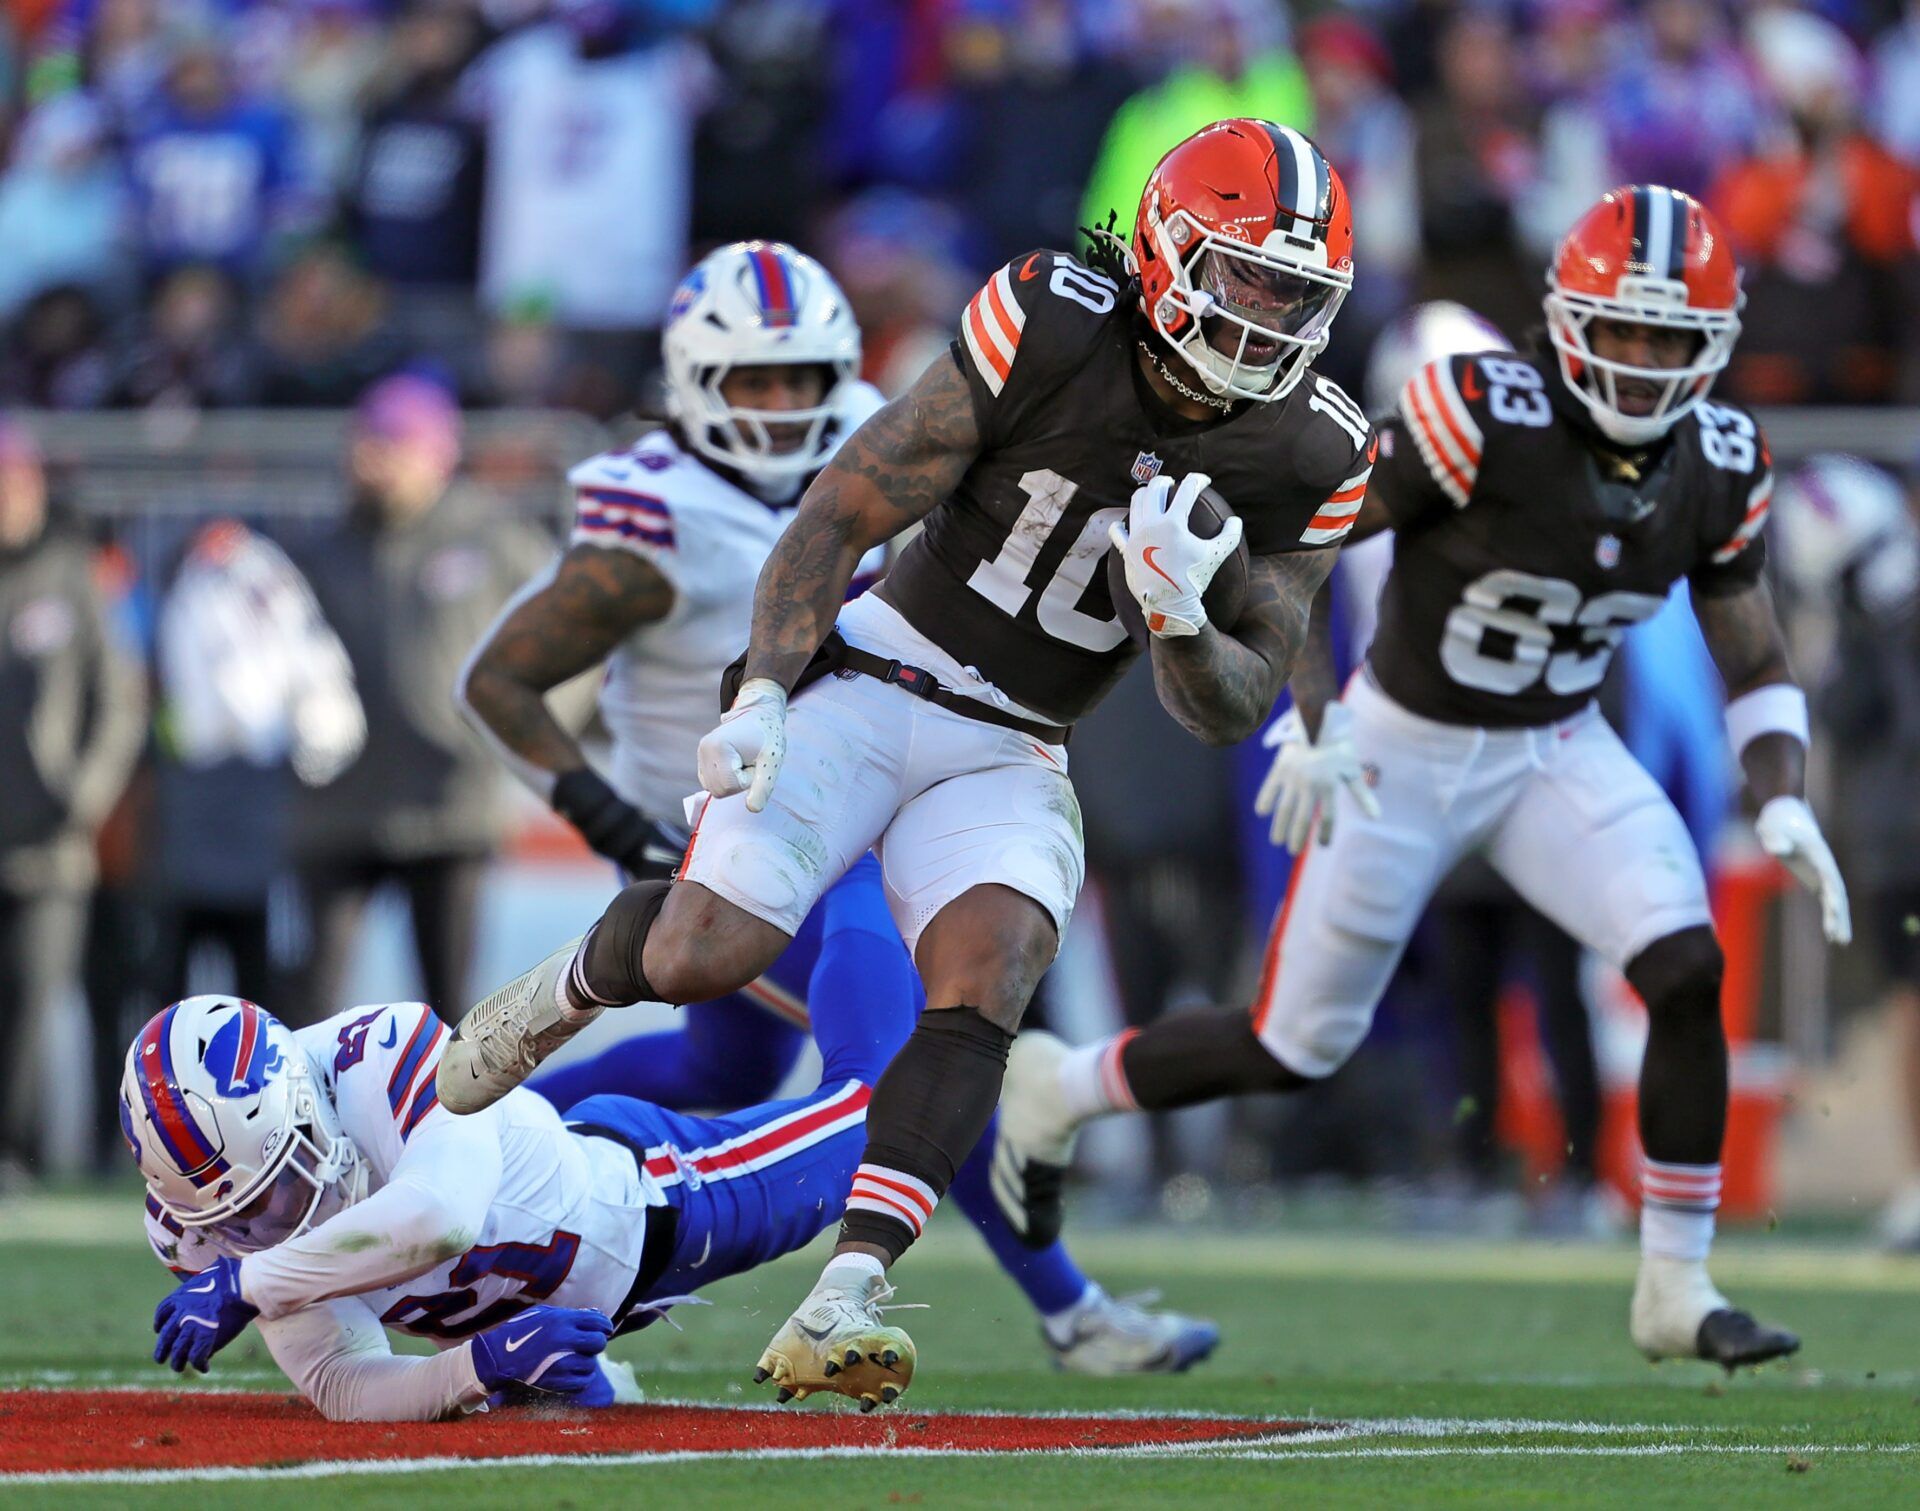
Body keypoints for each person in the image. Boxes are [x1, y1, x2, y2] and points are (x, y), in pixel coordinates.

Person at [439, 118, 1373, 1409]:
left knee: (989, 975)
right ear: (1165, 251)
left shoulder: (1315, 446)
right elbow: (844, 505)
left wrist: (1179, 617)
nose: (1267, 315)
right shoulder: (1050, 320)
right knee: (706, 956)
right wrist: (766, 686)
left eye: (1296, 292)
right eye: (1244, 275)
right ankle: (555, 997)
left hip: (1016, 737)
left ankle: (851, 1291)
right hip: (877, 675)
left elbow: (1229, 701)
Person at [995, 185, 1849, 1370]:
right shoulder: (1480, 414)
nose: (1648, 366)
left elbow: (1752, 650)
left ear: (1715, 344)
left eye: (1673, 339)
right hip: (1401, 745)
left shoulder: (1718, 457)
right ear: (1565, 318)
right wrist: (1304, 716)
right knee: (1298, 1043)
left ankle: (1676, 1282)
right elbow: (1311, 534)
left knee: (1687, 962)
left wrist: (1786, 789)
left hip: (1556, 745)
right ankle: (1061, 1084)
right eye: (1628, 330)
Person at [124, 888, 917, 1419]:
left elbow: (441, 1218)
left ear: (306, 1101)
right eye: (241, 1216)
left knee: (875, 1109)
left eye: (280, 1184)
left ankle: (858, 868)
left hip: (651, 1201)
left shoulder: (378, 1052)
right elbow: (340, 1379)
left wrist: (253, 1280)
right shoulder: (203, 1236)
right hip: (543, 1276)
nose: (269, 1222)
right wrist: (480, 1366)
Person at [288, 375, 549, 1026]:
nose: (371, 457)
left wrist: (522, 734)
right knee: (315, 999)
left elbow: (574, 639)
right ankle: (311, 1130)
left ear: (437, 451)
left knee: (450, 1011)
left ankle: (441, 1129)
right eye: (364, 440)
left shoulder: (492, 537)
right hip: (336, 802)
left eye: (390, 443)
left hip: (450, 803)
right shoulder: (317, 548)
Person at [0, 420, 146, 1177]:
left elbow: (118, 699)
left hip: (49, 842)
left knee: (30, 1000)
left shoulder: (74, 576)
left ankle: (17, 1152)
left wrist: (82, 793)